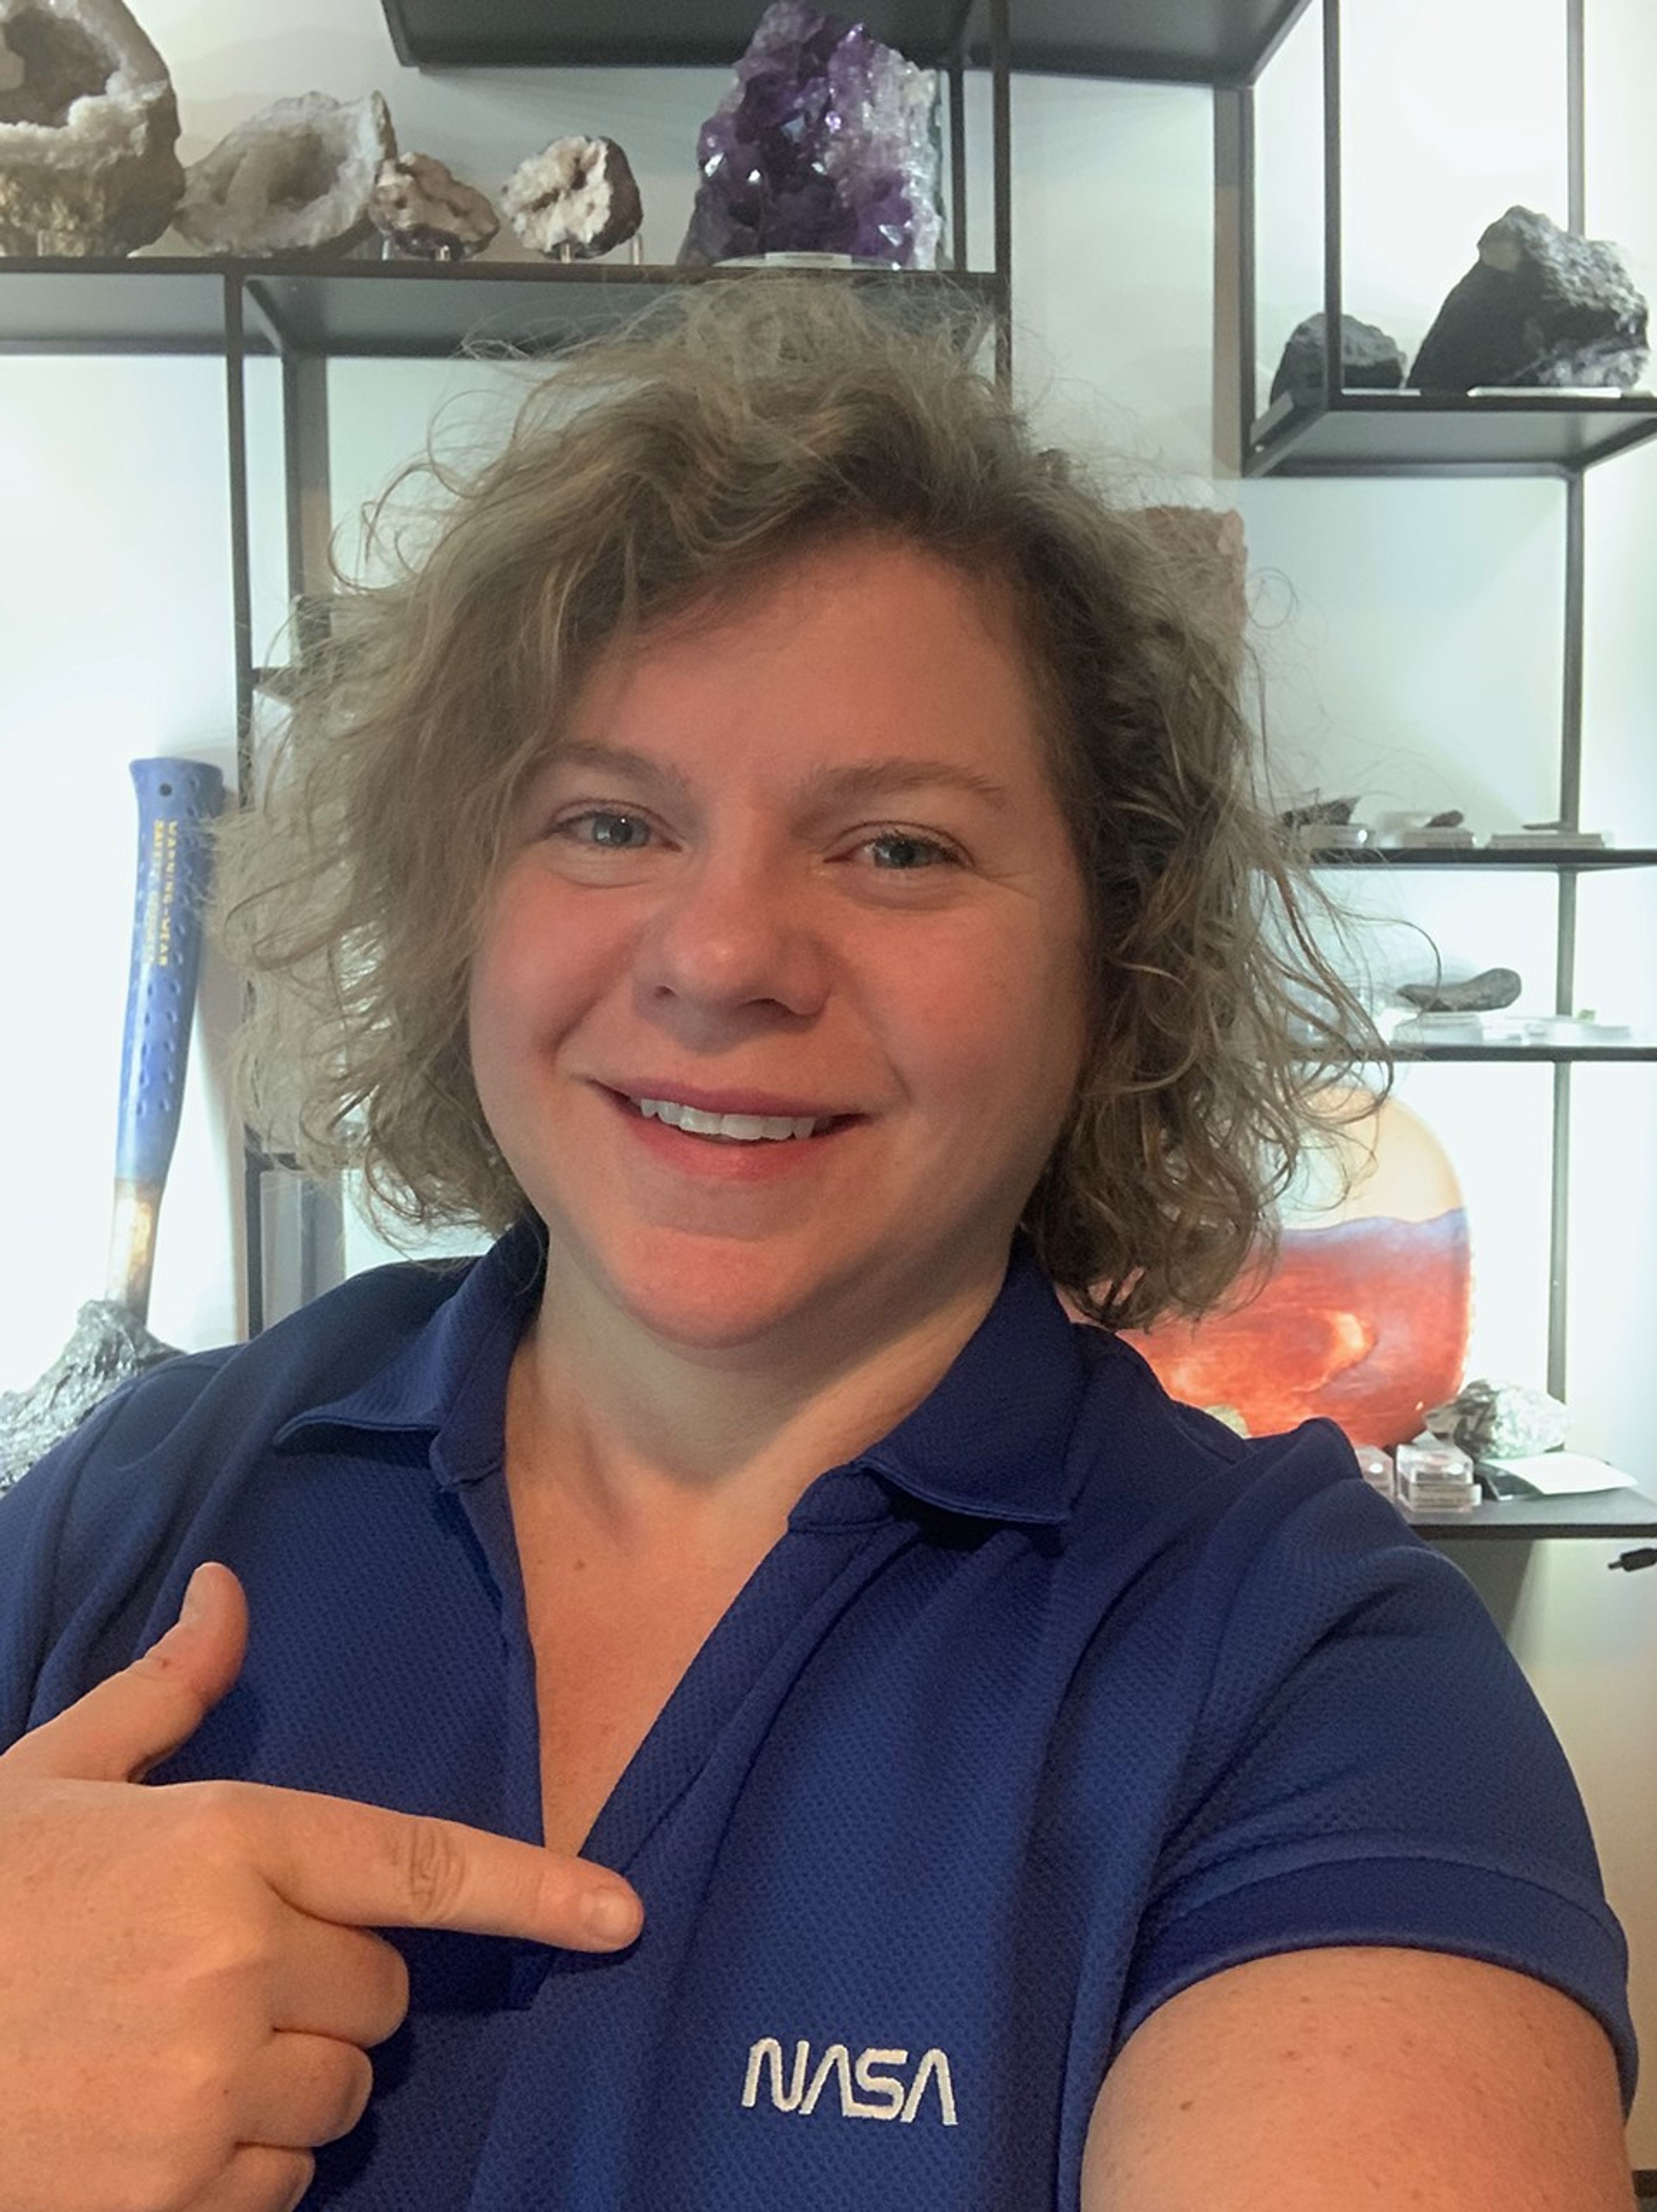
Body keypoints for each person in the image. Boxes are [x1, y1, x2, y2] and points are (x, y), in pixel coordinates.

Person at [0, 281, 1636, 2212]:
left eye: (897, 849)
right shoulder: (148, 1489)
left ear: (1113, 966)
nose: (719, 959)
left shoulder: (1298, 1680)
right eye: (608, 820)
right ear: (462, 903)